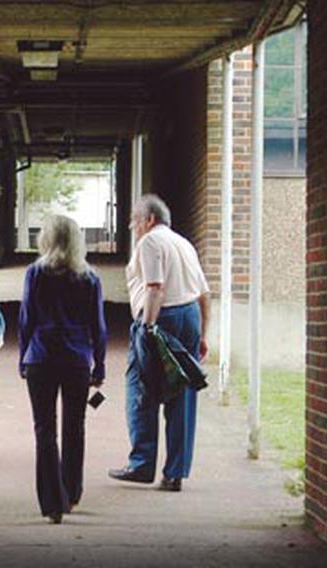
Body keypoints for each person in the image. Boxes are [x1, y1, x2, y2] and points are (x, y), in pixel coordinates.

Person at [108, 194, 210, 492]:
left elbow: (155, 287)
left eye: (134, 220)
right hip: (189, 314)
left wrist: (147, 328)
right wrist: (203, 334)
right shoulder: (184, 244)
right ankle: (175, 472)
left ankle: (141, 464)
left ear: (149, 220)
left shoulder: (150, 243)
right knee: (182, 392)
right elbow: (205, 293)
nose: (131, 226)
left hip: (161, 316)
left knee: (141, 387)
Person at [19, 215, 107, 524]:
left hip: (40, 357)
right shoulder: (89, 278)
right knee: (75, 427)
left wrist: (22, 358)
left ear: (46, 239)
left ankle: (52, 502)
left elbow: (26, 318)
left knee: (44, 429)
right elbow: (98, 326)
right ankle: (71, 491)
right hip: (76, 359)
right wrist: (100, 363)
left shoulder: (35, 274)